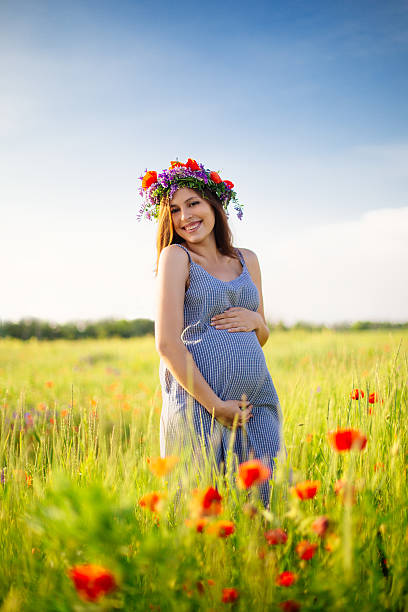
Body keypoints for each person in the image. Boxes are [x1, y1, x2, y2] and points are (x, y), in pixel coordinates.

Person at [138, 158, 285, 507]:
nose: (185, 216)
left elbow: (260, 336)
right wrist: (216, 405)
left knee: (265, 504)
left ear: (214, 206)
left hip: (257, 401)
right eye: (174, 209)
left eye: (193, 203)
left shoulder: (247, 259)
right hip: (199, 405)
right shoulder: (176, 257)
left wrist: (258, 323)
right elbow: (167, 344)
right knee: (201, 511)